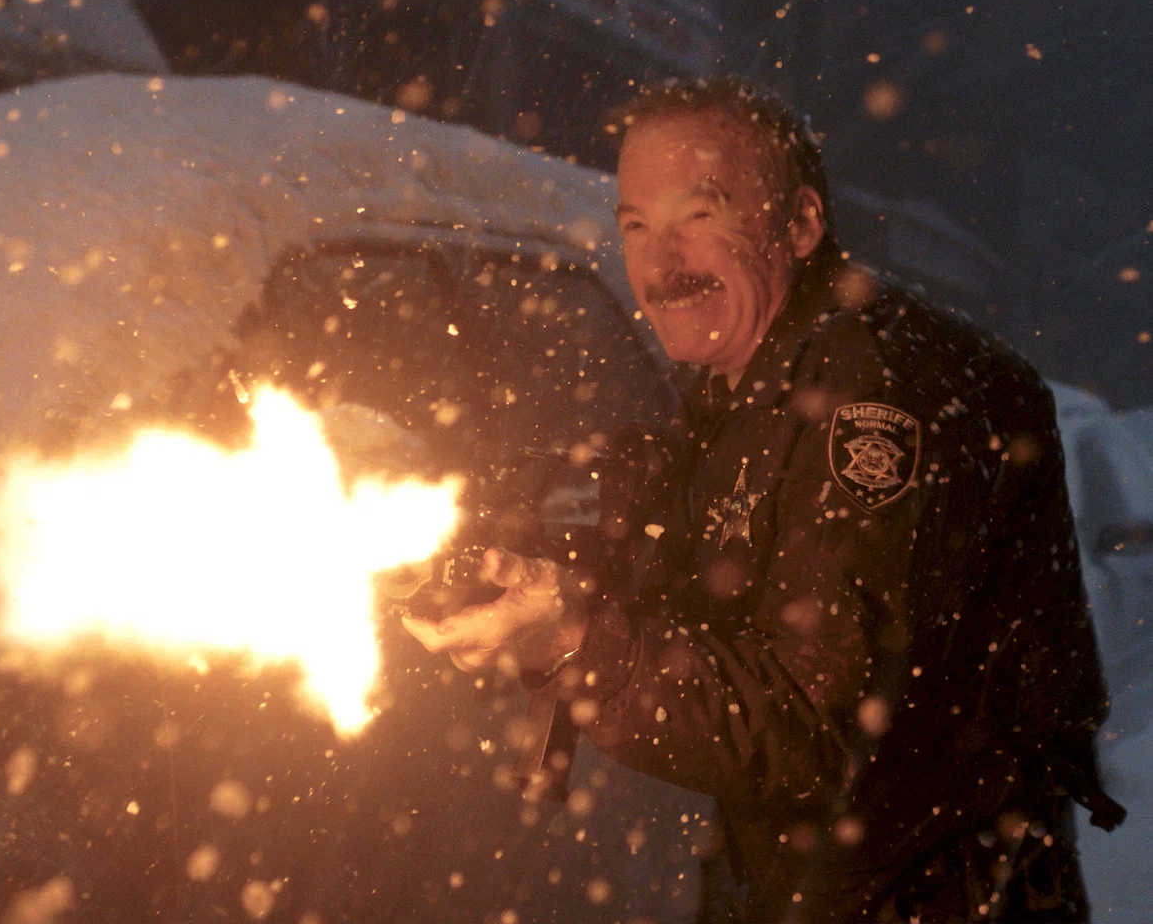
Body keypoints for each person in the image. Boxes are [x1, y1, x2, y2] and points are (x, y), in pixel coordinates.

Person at [403, 76, 1123, 922]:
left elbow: (817, 731)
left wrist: (572, 638)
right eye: (636, 226)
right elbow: (648, 502)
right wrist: (446, 513)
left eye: (697, 218)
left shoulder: (883, 397)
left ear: (801, 225)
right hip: (809, 882)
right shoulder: (747, 379)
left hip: (932, 895)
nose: (660, 267)